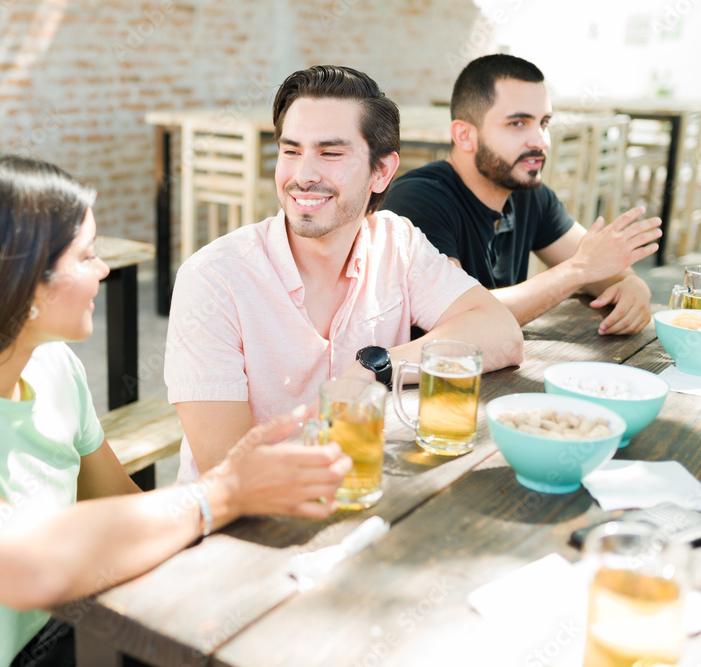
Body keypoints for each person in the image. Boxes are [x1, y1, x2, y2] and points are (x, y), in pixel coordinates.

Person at [0, 150, 351, 667]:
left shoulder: (53, 369)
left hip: (66, 634)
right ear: (21, 280)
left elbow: (121, 507)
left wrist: (238, 499)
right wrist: (222, 493)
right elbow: (26, 567)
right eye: (86, 254)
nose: (103, 270)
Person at [164, 65, 524, 481]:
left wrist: (376, 368)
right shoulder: (213, 280)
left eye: (330, 153)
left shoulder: (397, 243)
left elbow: (502, 333)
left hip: (368, 494)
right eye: (291, 150)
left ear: (381, 172)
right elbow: (229, 472)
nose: (303, 175)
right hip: (250, 527)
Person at [384, 54, 662, 335]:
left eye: (544, 123)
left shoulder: (528, 195)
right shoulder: (417, 201)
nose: (541, 141)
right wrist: (580, 269)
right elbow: (461, 315)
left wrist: (632, 285)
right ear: (465, 135)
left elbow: (601, 267)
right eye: (518, 123)